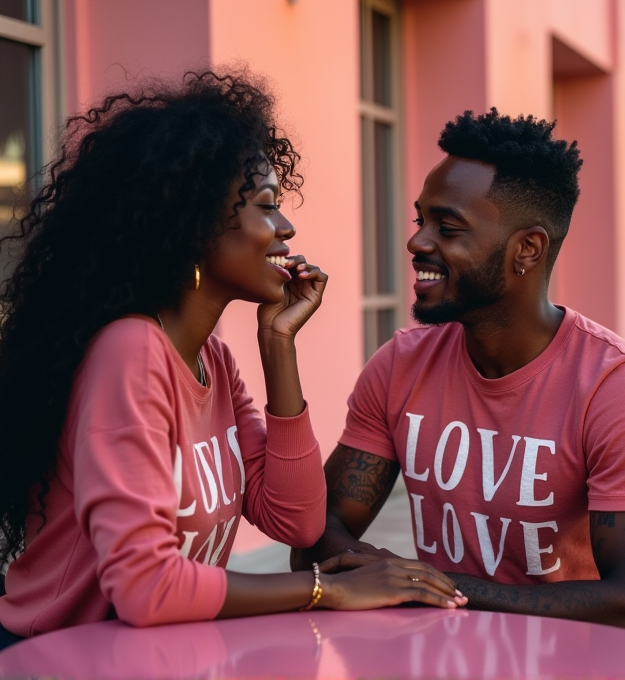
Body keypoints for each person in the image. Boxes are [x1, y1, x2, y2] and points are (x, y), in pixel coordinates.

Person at [0, 69, 466, 648]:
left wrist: (279, 347)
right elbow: (146, 588)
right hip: (52, 658)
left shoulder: (212, 360)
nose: (286, 227)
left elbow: (295, 521)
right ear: (194, 226)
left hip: (146, 657)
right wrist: (327, 589)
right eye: (267, 207)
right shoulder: (129, 353)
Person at [292, 108, 625, 636]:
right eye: (419, 220)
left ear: (527, 250)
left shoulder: (617, 387)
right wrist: (392, 577)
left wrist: (439, 586)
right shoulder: (401, 364)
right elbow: (315, 534)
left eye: (447, 228)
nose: (418, 242)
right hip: (441, 660)